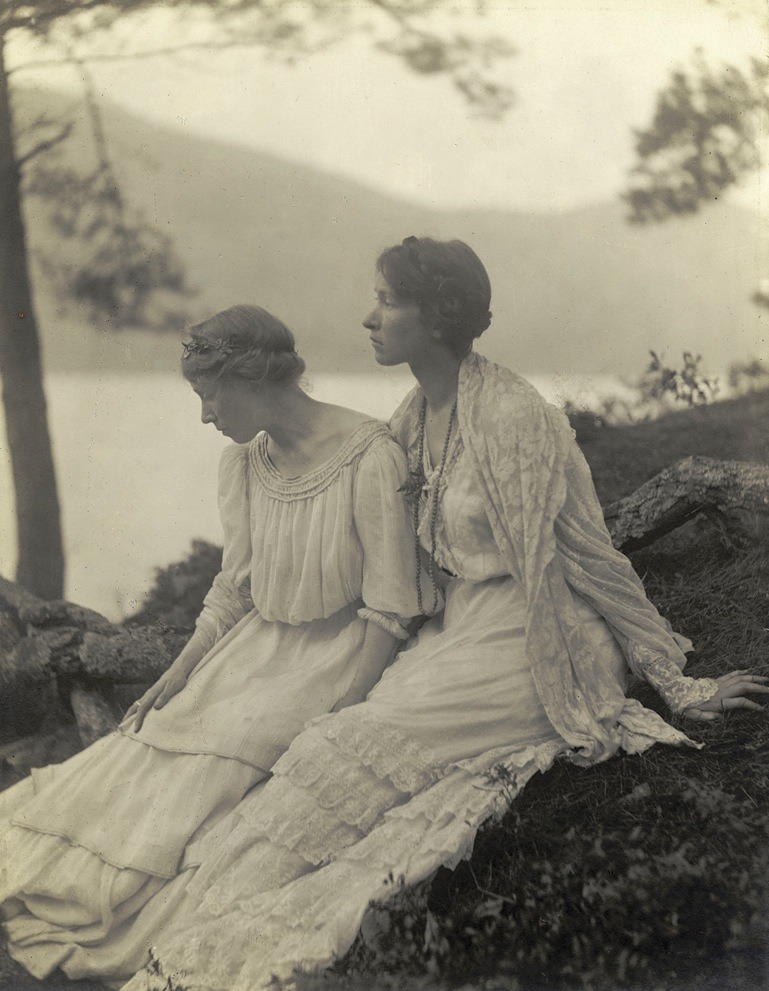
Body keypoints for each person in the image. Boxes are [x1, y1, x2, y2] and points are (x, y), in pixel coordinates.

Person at [120, 238, 769, 991]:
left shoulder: (513, 416)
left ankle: (233, 955)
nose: (369, 318)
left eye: (387, 302)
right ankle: (179, 941)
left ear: (438, 316)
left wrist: (679, 680)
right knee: (313, 752)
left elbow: (590, 555)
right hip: (455, 630)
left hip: (535, 635)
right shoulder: (410, 417)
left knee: (346, 742)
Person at [0, 304, 423, 983]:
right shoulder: (243, 464)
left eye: (207, 394)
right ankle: (55, 882)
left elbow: (390, 607)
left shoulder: (370, 456)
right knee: (149, 741)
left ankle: (115, 902)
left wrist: (343, 709)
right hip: (252, 652)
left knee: (225, 751)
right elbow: (234, 589)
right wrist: (181, 671)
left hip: (334, 656)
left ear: (250, 376)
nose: (204, 414)